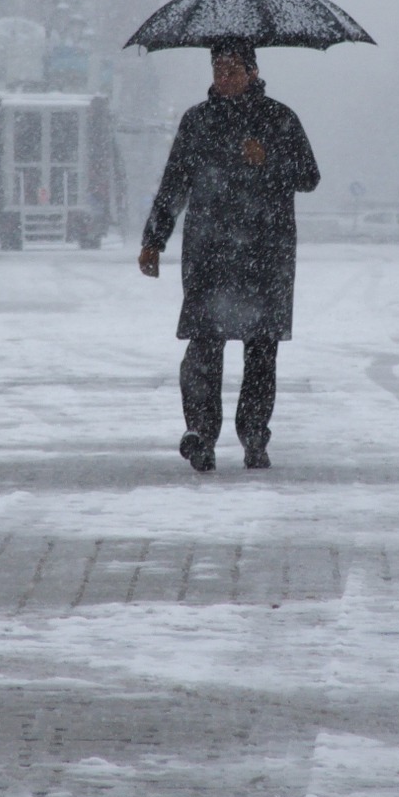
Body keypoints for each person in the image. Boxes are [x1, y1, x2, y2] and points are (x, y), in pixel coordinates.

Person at [138, 38, 320, 472]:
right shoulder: (197, 122)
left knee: (261, 350)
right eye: (219, 68)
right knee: (203, 346)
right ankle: (201, 434)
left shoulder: (279, 119)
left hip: (266, 253)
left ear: (253, 72)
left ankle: (255, 436)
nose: (225, 76)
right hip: (209, 253)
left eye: (234, 68)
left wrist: (270, 158)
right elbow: (173, 185)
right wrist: (154, 239)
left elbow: (309, 177)